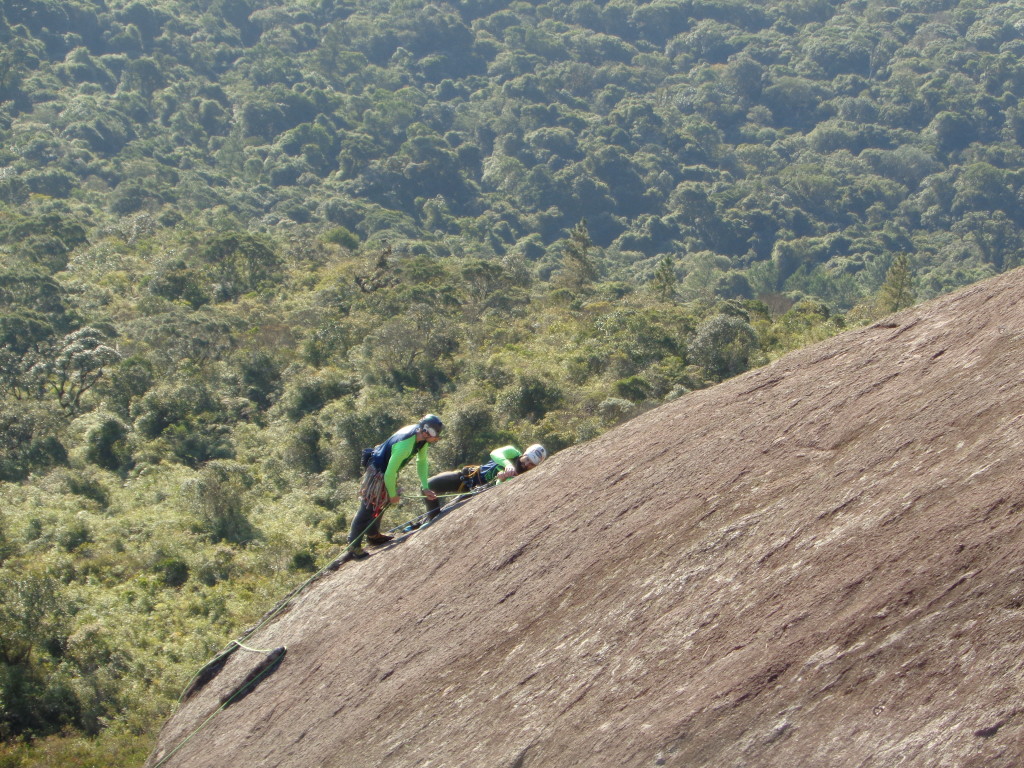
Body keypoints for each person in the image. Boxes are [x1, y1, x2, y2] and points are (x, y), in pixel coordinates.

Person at [346, 414, 443, 559]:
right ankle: (353, 545)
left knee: (379, 503)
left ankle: (373, 535)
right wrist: (392, 494)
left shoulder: (421, 440)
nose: (436, 438)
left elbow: (421, 462)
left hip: (387, 470)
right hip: (378, 471)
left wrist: (425, 486)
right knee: (368, 505)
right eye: (435, 434)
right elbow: (389, 474)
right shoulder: (405, 445)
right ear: (426, 431)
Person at [413, 443, 548, 528]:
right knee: (430, 484)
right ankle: (431, 517)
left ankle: (432, 522)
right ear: (524, 454)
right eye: (527, 459)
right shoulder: (512, 452)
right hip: (467, 478)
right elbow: (495, 453)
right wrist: (508, 465)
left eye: (531, 464)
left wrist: (501, 479)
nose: (526, 465)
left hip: (476, 494)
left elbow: (499, 491)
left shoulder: (519, 479)